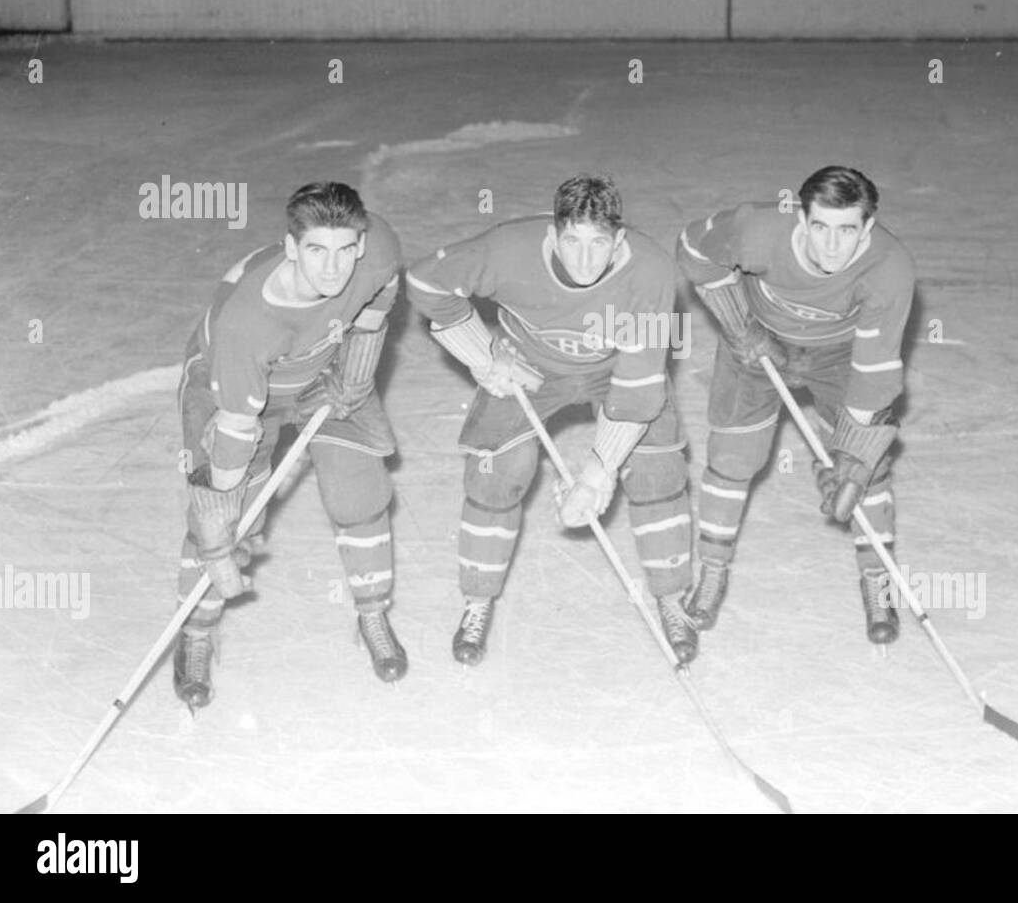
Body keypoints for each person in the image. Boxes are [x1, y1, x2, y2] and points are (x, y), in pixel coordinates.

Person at [407, 174, 698, 665]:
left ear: (619, 240)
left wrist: (597, 473)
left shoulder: (652, 273)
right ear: (552, 233)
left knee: (656, 470)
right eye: (571, 241)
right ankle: (477, 601)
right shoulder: (507, 249)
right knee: (497, 474)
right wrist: (484, 354)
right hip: (530, 365)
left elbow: (636, 388)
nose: (584, 259)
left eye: (599, 243)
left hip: (615, 370)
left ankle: (671, 599)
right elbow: (424, 283)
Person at [173, 182, 405, 709]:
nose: (333, 268)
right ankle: (196, 633)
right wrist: (220, 529)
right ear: (291, 246)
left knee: (360, 494)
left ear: (361, 243)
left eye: (346, 249)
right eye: (317, 251)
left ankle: (372, 612)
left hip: (320, 376)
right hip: (230, 397)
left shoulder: (378, 247)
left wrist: (359, 363)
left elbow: (379, 293)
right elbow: (235, 430)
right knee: (233, 522)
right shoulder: (247, 325)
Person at [675, 166, 915, 646]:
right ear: (801, 220)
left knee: (865, 474)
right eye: (820, 227)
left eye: (847, 230)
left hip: (840, 357)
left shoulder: (889, 269)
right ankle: (713, 571)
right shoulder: (758, 232)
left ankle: (876, 579)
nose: (832, 246)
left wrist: (853, 454)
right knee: (731, 460)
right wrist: (740, 325)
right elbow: (693, 250)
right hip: (758, 346)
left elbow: (875, 371)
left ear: (867, 228)